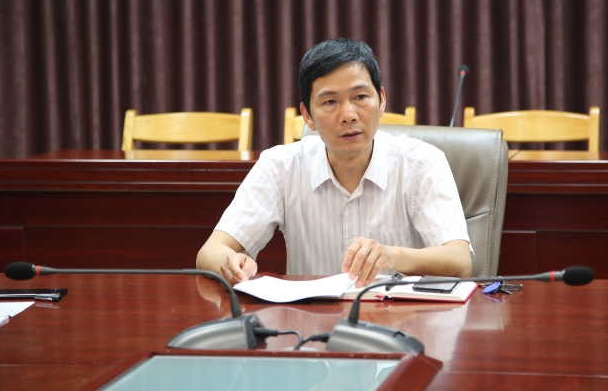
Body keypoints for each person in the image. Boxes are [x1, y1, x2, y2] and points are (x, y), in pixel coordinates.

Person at [197, 38, 472, 286]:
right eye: (330, 102)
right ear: (307, 115)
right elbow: (210, 252)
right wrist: (229, 262)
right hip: (312, 321)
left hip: (399, 319)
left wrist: (391, 256)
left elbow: (460, 260)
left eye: (360, 97)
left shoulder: (421, 163)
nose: (348, 114)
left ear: (382, 100)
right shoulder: (280, 166)